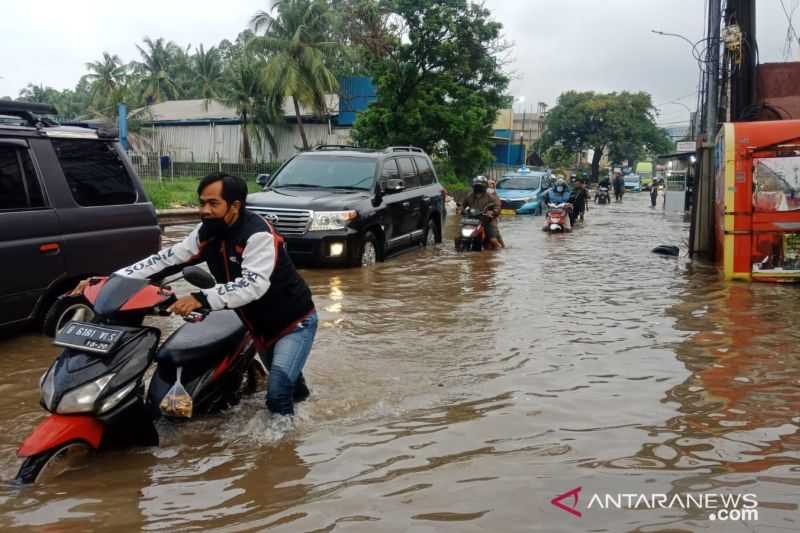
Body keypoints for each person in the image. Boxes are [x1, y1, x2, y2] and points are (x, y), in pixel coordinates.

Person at [71, 173, 316, 417]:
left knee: (277, 392)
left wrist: (201, 298)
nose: (205, 210)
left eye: (213, 203)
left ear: (235, 206)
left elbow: (252, 285)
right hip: (257, 326)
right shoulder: (206, 233)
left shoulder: (258, 235)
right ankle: (306, 405)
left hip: (293, 324)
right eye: (202, 203)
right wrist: (111, 280)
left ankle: (284, 445)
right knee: (287, 380)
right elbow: (166, 259)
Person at [461, 176, 502, 250]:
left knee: (493, 240)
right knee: (460, 237)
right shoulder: (469, 196)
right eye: (476, 186)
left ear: (484, 186)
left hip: (487, 220)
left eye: (480, 186)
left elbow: (497, 207)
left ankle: (499, 250)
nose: (478, 188)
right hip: (472, 220)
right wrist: (461, 210)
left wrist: (492, 212)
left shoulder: (491, 196)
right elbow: (462, 206)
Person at [486, 178, 506, 247]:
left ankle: (502, 246)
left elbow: (498, 207)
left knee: (494, 231)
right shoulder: (479, 195)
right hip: (479, 216)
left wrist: (493, 212)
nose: (491, 186)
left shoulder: (495, 196)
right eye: (489, 184)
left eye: (492, 184)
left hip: (491, 217)